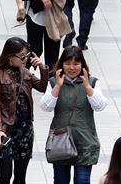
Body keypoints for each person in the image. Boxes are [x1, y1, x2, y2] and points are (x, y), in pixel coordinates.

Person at [40, 46, 108, 184]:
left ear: (82, 64)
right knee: (60, 181)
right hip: (60, 142)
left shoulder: (92, 81)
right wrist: (58, 87)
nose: (71, 67)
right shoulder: (53, 82)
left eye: (76, 63)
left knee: (82, 181)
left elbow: (100, 106)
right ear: (62, 64)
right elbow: (46, 106)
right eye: (67, 63)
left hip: (85, 142)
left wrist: (88, 87)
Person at [0, 37, 49, 184]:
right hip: (5, 129)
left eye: (27, 55)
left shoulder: (24, 71)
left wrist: (42, 68)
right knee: (5, 174)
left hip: (25, 129)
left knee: (20, 176)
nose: (25, 59)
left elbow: (41, 87)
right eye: (22, 56)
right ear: (10, 56)